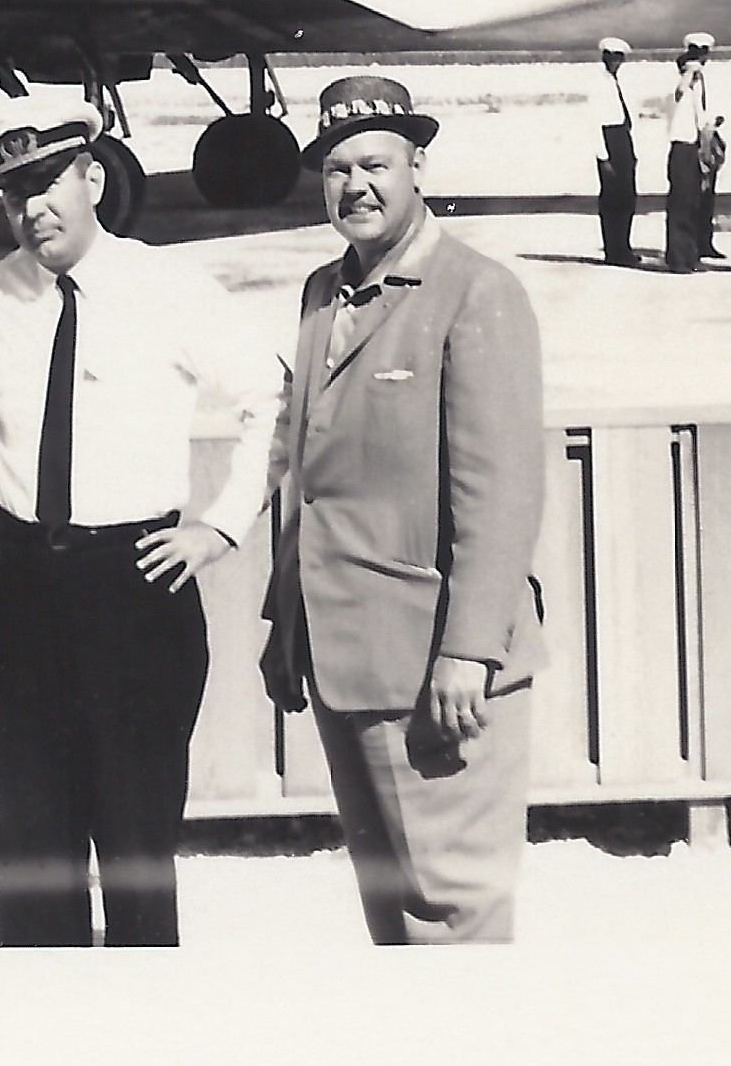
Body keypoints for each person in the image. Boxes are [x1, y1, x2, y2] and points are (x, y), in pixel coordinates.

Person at [0, 100, 287, 946]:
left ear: (93, 177)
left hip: (133, 584)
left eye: (49, 183)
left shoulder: (165, 287)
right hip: (21, 586)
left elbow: (269, 397)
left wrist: (220, 527)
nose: (33, 210)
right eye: (13, 192)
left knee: (136, 846)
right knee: (33, 849)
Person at [260, 76, 546, 944]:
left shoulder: (474, 290)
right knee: (393, 914)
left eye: (376, 163)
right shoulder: (321, 291)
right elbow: (306, 475)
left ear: (418, 165)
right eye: (337, 167)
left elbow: (500, 491)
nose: (357, 186)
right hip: (342, 658)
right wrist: (286, 625)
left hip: (434, 668)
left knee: (452, 915)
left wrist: (469, 648)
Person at [662, 33, 724, 272]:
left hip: (694, 147)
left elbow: (701, 117)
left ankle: (689, 255)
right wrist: (689, 73)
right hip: (682, 148)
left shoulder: (696, 90)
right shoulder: (679, 88)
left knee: (692, 204)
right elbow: (679, 91)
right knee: (680, 205)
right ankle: (678, 259)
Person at [590, 38, 642, 266]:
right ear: (604, 57)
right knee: (613, 200)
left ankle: (623, 247)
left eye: (618, 57)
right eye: (610, 56)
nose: (615, 61)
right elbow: (593, 122)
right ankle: (614, 251)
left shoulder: (614, 81)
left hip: (622, 137)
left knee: (627, 198)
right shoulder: (597, 83)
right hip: (609, 139)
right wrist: (603, 158)